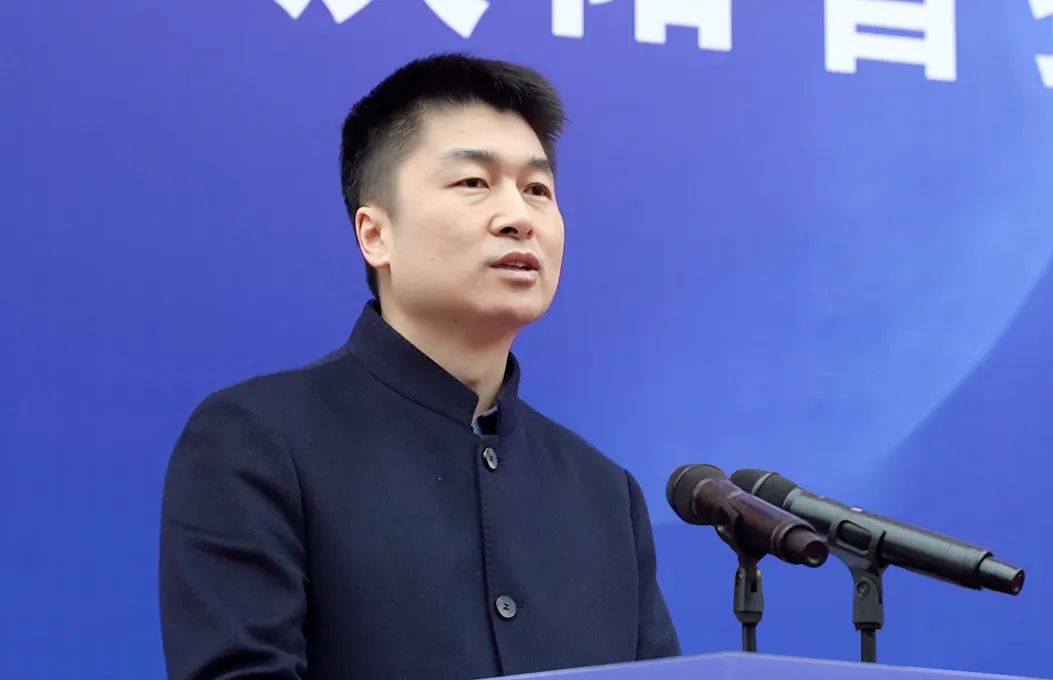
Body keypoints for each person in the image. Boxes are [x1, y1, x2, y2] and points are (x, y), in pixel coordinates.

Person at [159, 53, 680, 680]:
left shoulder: (605, 496)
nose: (518, 217)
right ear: (375, 234)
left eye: (537, 190)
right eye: (474, 183)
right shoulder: (259, 443)